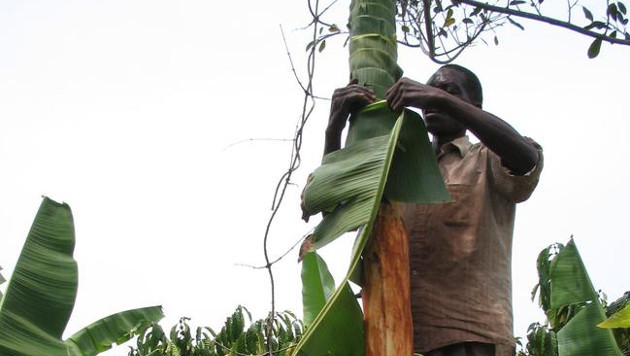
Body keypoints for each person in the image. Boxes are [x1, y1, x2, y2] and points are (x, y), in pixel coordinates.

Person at [324, 64, 543, 356]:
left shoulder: (486, 159)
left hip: (470, 337)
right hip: (398, 337)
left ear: (474, 107)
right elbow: (337, 211)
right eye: (429, 91)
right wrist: (334, 128)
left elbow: (526, 159)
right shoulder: (398, 169)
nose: (432, 98)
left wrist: (437, 98)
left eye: (449, 91)